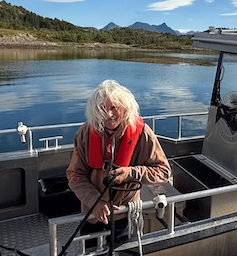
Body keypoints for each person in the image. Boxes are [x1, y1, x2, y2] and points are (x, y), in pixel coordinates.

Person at [66, 79, 171, 239]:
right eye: (102, 109)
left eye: (114, 107)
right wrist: (95, 202)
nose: (108, 114)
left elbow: (164, 172)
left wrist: (131, 173)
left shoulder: (143, 134)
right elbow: (75, 176)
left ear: (125, 107)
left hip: (125, 214)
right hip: (92, 214)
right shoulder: (84, 134)